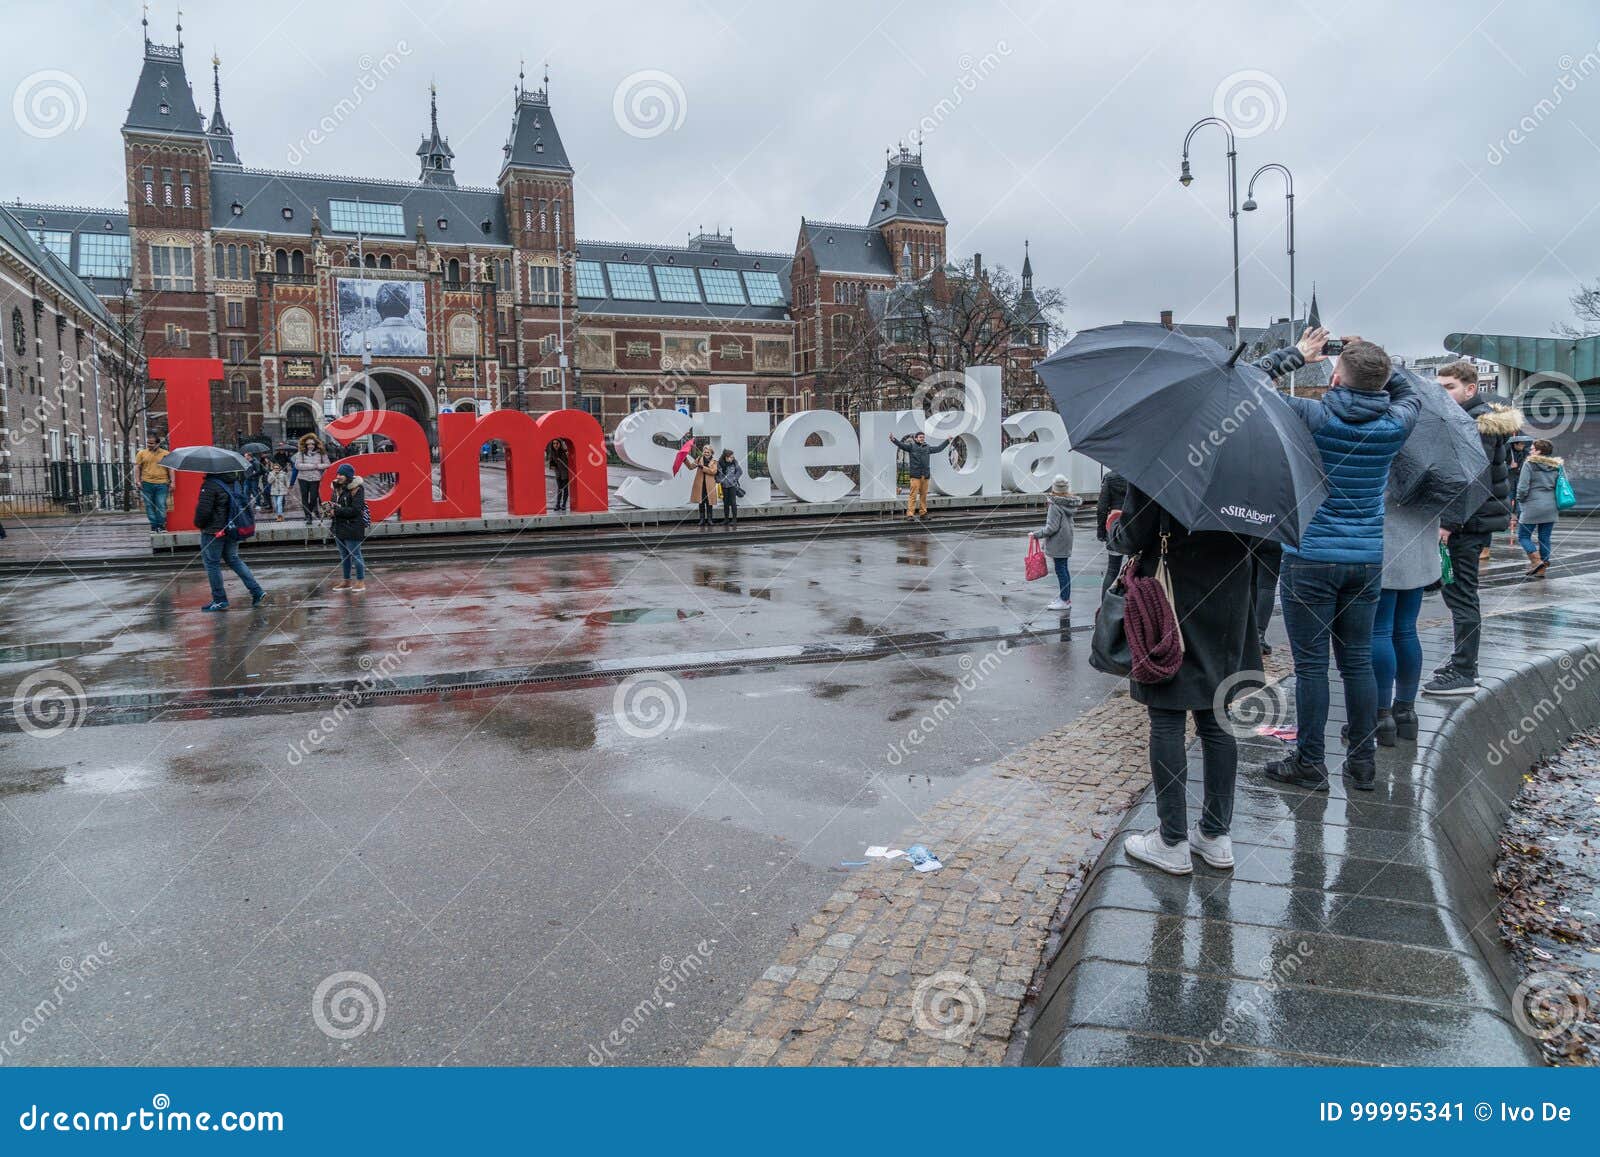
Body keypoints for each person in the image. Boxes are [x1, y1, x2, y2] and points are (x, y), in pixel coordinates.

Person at [1259, 332, 1421, 793]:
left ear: (1334, 376)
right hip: (1366, 560)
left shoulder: (1312, 414)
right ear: (1383, 380)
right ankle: (1363, 763)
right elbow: (1408, 391)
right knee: (1357, 664)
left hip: (1310, 556)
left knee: (1311, 667)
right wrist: (1374, 352)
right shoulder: (1396, 422)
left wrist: (1297, 354)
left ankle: (1311, 762)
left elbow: (1248, 385)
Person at [1111, 483, 1260, 875]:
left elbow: (1132, 534)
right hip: (1229, 594)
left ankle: (1172, 840)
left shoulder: (1166, 456)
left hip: (1170, 594)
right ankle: (1215, 835)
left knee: (1166, 717)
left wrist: (1116, 527)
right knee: (1216, 717)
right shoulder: (1251, 463)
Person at [1425, 361, 1522, 696]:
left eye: (1449, 387)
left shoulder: (1475, 424)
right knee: (1459, 593)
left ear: (1469, 389)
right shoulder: (1471, 420)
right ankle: (1463, 663)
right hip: (1471, 521)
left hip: (1467, 523)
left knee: (1461, 594)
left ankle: (1465, 670)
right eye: (1439, 388)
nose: (1443, 394)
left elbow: (1470, 479)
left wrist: (1448, 523)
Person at [193, 471, 265, 612]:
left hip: (213, 530)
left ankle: (220, 600)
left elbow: (203, 511)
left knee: (212, 564)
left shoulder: (210, 485)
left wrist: (199, 524)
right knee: (234, 559)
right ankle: (256, 590)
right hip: (232, 528)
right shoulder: (234, 482)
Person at [1031, 475, 1083, 613]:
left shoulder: (1054, 504)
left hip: (1058, 540)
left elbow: (1051, 528)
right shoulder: (1069, 502)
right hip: (1066, 539)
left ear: (1054, 488)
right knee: (1063, 568)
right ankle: (1064, 598)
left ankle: (1064, 600)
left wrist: (1036, 534)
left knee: (1061, 569)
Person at [1515, 439, 1562, 578]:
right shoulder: (1557, 466)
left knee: (1523, 536)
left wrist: (1520, 499)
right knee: (1545, 537)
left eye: (1533, 449)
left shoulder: (1529, 464)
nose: (1530, 451)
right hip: (1551, 505)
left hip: (1532, 505)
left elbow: (1523, 487)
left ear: (1539, 451)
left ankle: (1536, 561)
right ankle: (1542, 568)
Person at [889, 431, 951, 519]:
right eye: (920, 437)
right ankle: (910, 514)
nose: (922, 438)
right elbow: (901, 445)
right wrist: (893, 440)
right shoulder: (911, 447)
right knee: (913, 495)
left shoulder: (927, 447)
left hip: (925, 475)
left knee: (924, 496)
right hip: (915, 476)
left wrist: (947, 441)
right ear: (916, 438)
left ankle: (923, 513)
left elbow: (938, 449)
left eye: (923, 437)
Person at [329, 463, 368, 593]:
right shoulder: (336, 488)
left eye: (341, 474)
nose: (338, 477)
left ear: (348, 476)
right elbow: (334, 504)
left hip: (352, 527)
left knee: (356, 555)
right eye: (338, 474)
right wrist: (329, 509)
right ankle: (346, 581)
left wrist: (337, 512)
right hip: (339, 527)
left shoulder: (357, 489)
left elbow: (356, 510)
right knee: (344, 556)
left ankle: (360, 582)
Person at [1095, 468, 1129, 593]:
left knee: (1113, 569)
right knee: (1135, 569)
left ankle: (1105, 607)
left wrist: (1101, 532)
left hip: (1114, 525)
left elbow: (1102, 508)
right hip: (1134, 526)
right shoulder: (1138, 475)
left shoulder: (1110, 477)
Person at [1249, 540, 1283, 657]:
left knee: (1251, 583)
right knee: (1266, 587)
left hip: (1250, 534)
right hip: (1273, 539)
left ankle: (1249, 635)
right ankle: (1259, 636)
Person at [135, 434, 171, 531]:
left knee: (161, 504)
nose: (149, 445)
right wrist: (137, 480)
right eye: (148, 443)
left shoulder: (166, 454)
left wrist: (173, 482)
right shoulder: (141, 453)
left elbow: (170, 469)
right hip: (146, 483)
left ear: (158, 443)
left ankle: (161, 525)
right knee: (148, 505)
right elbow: (137, 467)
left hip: (162, 483)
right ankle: (154, 525)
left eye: (151, 443)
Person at [292, 434, 331, 525]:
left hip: (316, 478)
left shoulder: (321, 453)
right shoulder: (300, 453)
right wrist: (313, 466)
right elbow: (297, 465)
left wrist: (318, 466)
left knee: (314, 497)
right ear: (305, 445)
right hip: (303, 478)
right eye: (308, 444)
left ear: (316, 444)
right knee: (304, 497)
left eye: (312, 444)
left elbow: (328, 464)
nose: (310, 446)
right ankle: (308, 516)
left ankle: (308, 512)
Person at [689, 444, 718, 529]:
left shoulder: (714, 461)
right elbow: (691, 467)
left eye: (708, 452)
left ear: (711, 453)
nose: (706, 453)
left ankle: (709, 520)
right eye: (705, 452)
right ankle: (702, 519)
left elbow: (713, 471)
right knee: (701, 502)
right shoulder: (699, 459)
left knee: (709, 503)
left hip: (709, 484)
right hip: (700, 484)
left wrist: (703, 467)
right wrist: (685, 460)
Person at [715, 448, 744, 529]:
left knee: (733, 502)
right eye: (730, 457)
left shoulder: (734, 462)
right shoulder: (719, 463)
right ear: (726, 457)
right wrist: (719, 480)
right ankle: (726, 519)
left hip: (732, 486)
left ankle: (734, 519)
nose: (732, 458)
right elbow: (716, 474)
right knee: (726, 503)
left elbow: (740, 471)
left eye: (732, 457)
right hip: (724, 486)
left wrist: (735, 478)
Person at [548, 440, 572, 513]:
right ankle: (558, 504)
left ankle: (564, 504)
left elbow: (569, 461)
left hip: (565, 473)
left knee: (565, 488)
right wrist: (552, 466)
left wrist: (566, 456)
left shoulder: (564, 451)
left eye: (557, 443)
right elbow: (551, 463)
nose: (555, 445)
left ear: (560, 444)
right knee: (559, 488)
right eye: (554, 444)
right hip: (558, 473)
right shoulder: (552, 452)